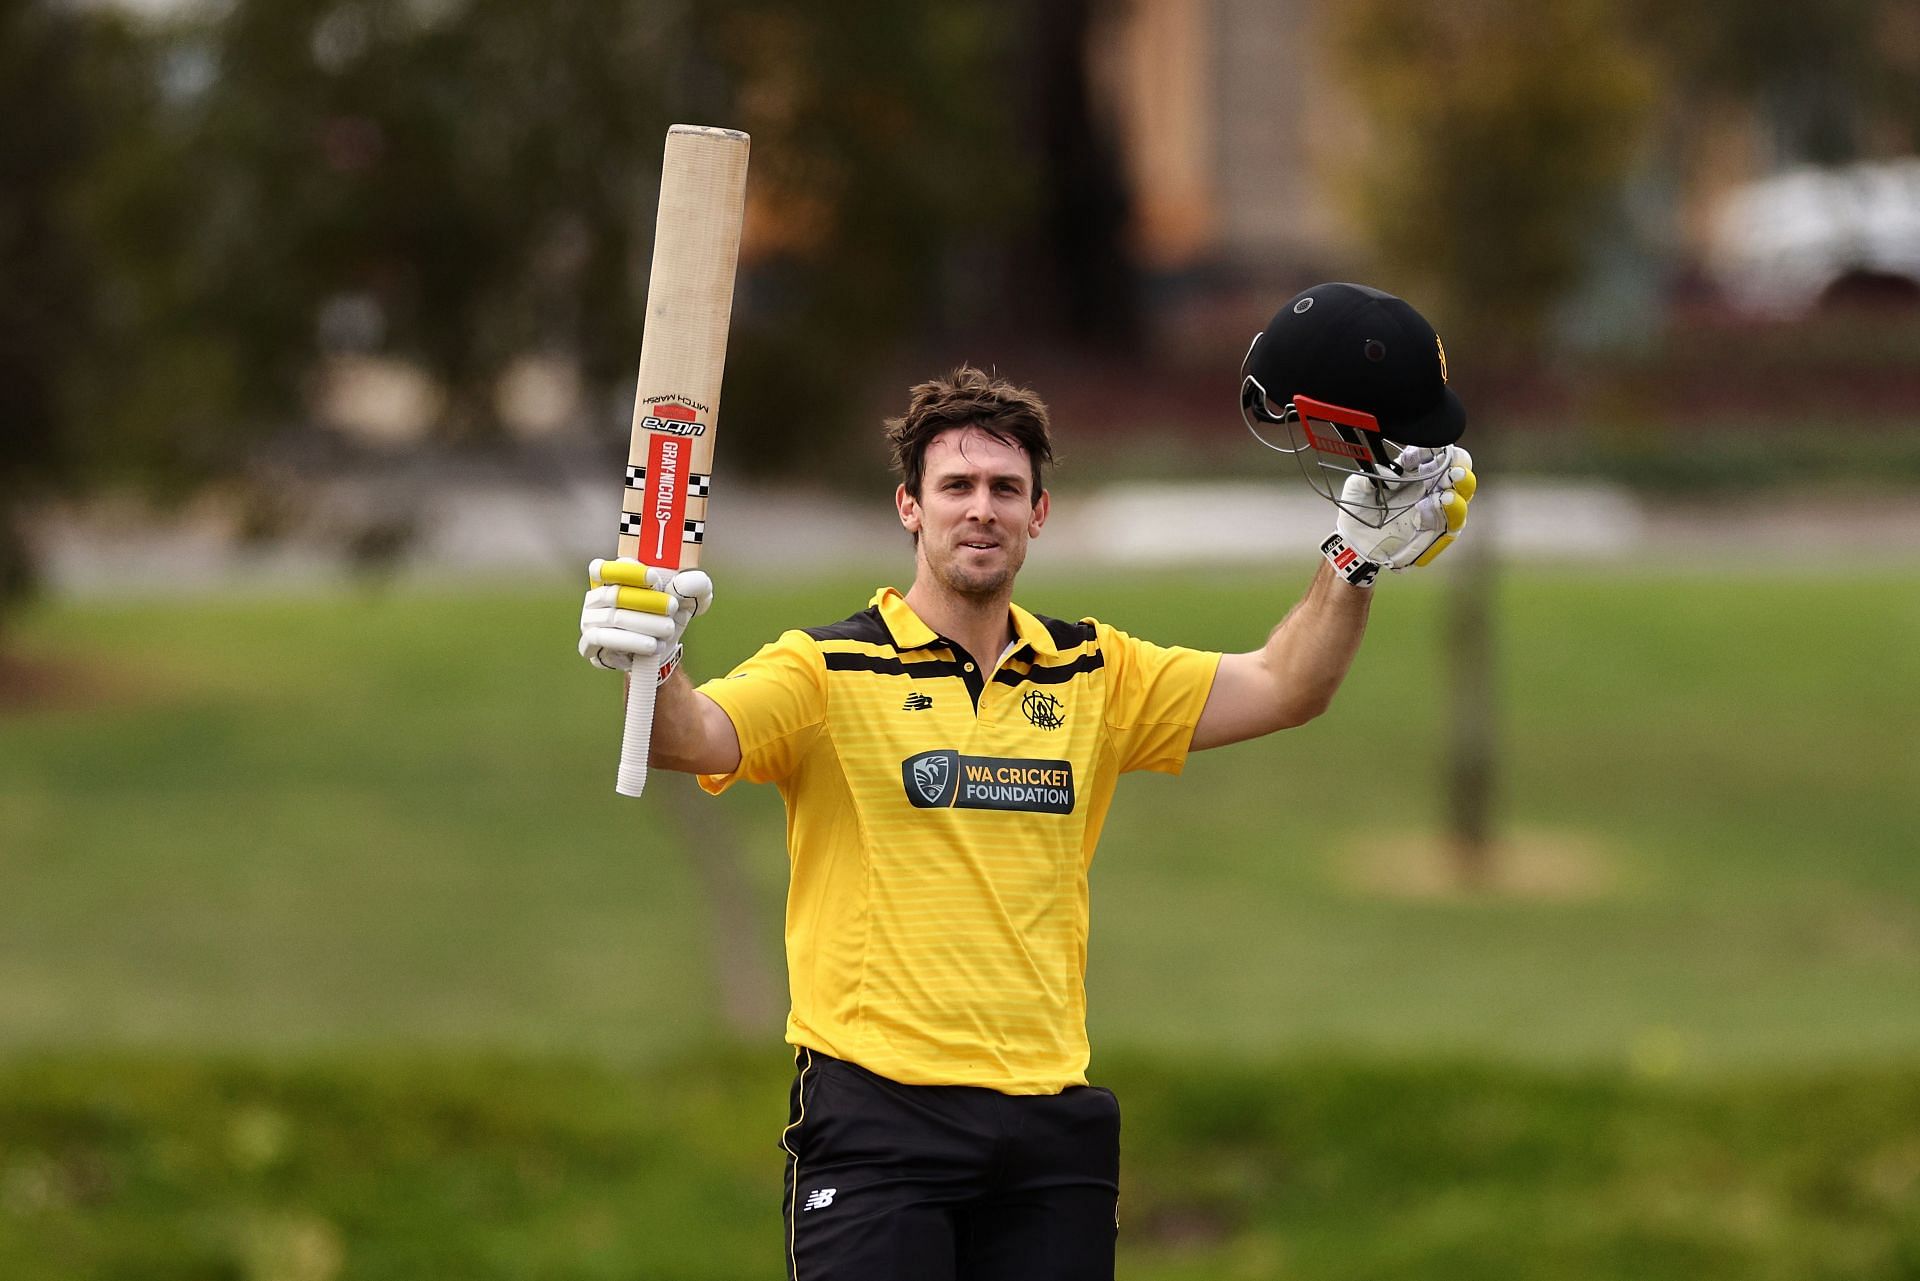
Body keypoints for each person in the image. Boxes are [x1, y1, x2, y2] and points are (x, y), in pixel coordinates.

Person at [577, 282, 1476, 1281]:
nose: (981, 509)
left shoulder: (1095, 671)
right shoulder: (827, 669)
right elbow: (695, 737)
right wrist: (650, 662)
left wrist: (1352, 559)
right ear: (909, 507)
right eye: (956, 486)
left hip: (1051, 1130)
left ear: (1039, 514)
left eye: (1005, 490)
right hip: (880, 1122)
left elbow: (1285, 685)